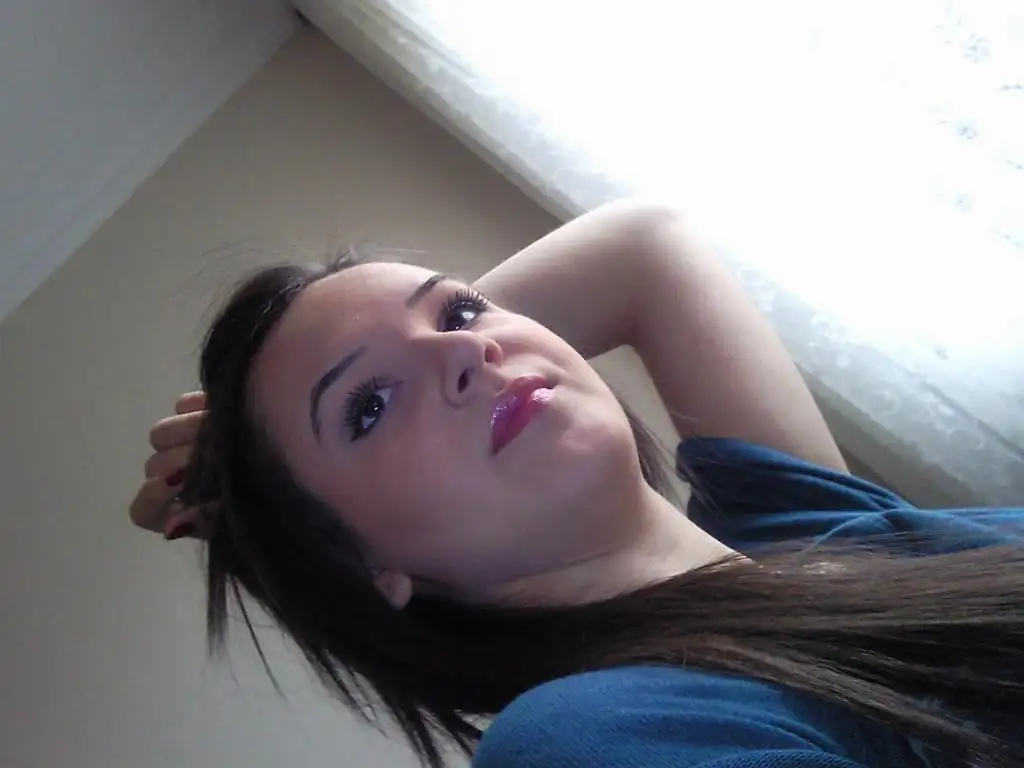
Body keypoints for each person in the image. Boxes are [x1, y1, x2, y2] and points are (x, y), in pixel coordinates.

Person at [129, 201, 1024, 768]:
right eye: (367, 406)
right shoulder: (588, 738)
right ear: (362, 568)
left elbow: (643, 244)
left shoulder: (805, 525)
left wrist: (268, 454)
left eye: (459, 309)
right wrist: (263, 494)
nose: (467, 349)